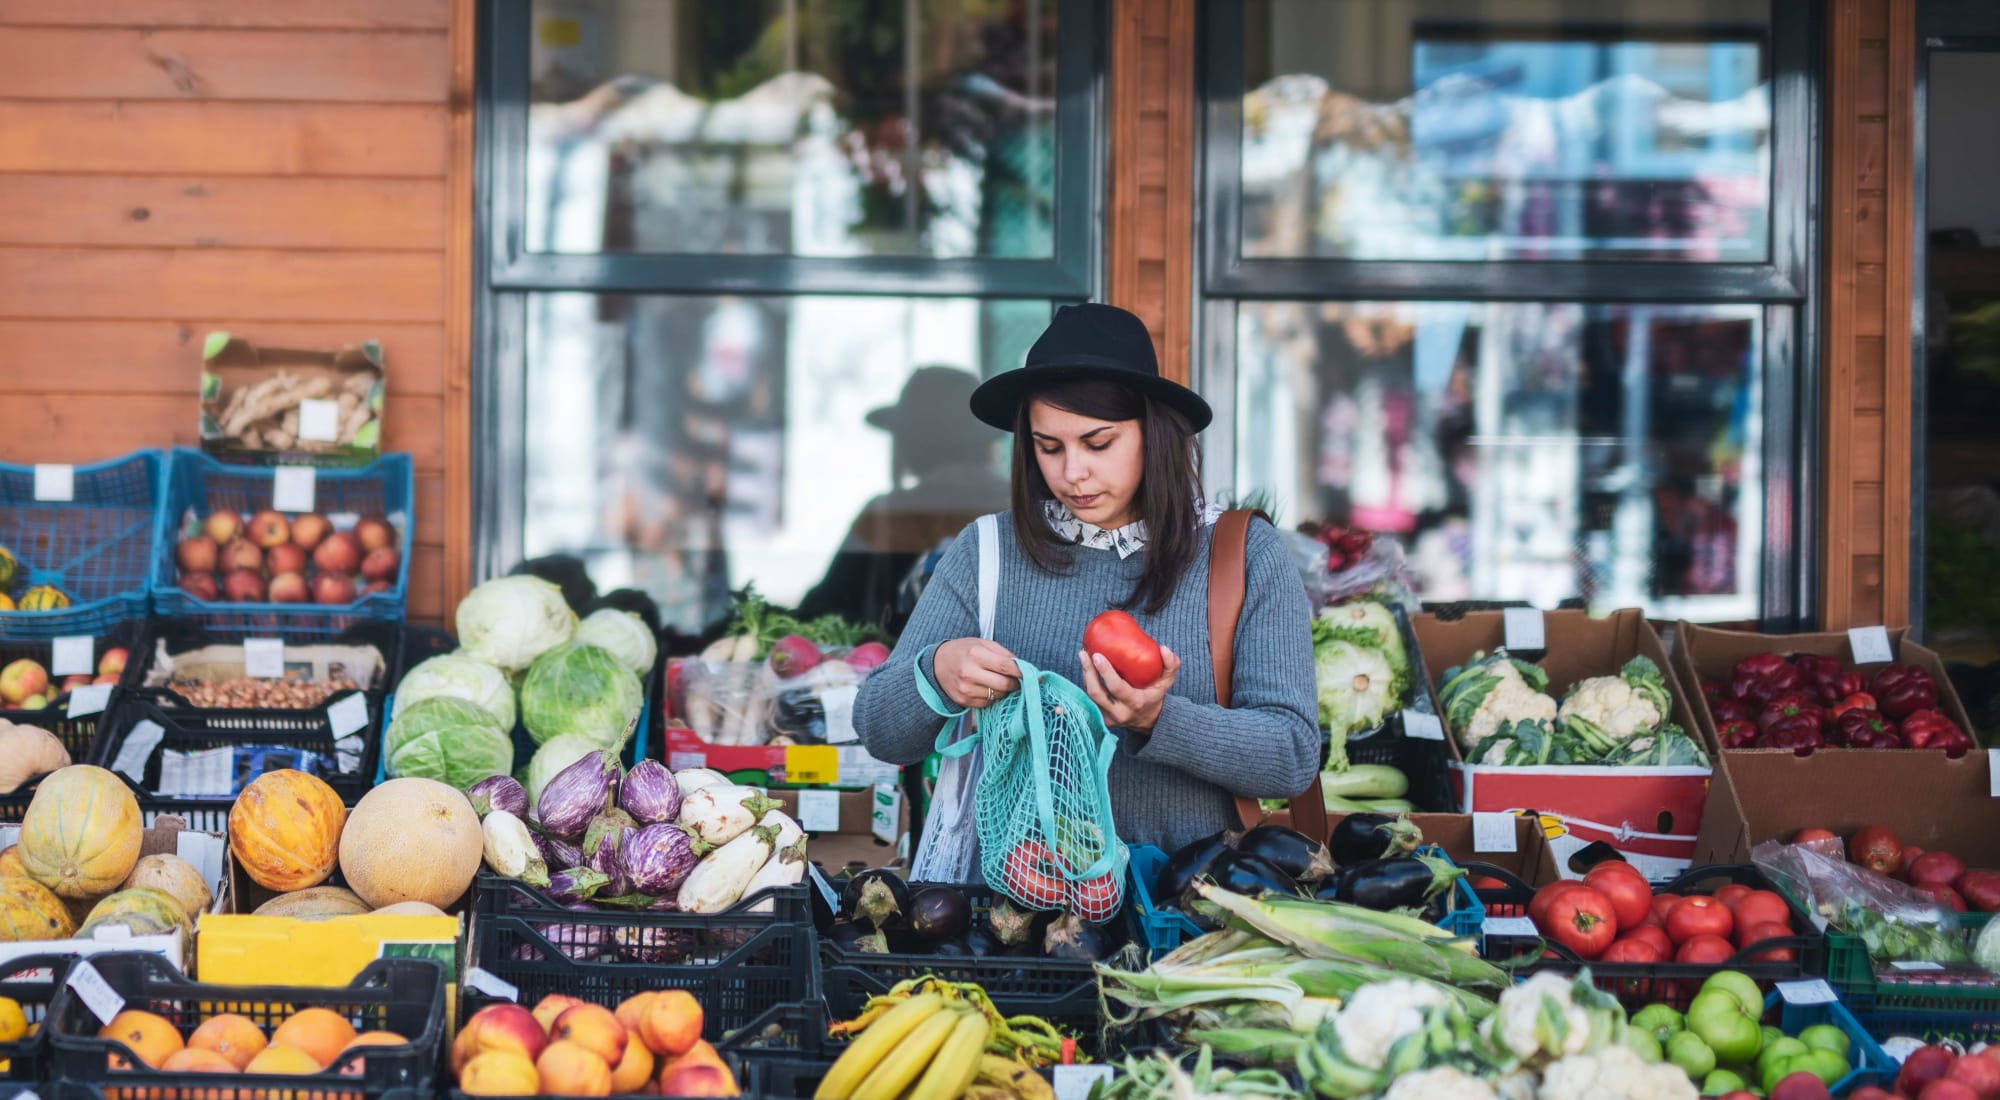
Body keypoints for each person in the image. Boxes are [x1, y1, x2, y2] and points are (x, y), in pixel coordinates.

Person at [851, 303, 1321, 854]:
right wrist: (935, 673)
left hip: (1185, 906)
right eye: (1049, 447)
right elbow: (878, 728)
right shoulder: (985, 552)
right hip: (1011, 911)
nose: (1072, 473)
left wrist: (1158, 718)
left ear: (1155, 433)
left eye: (1098, 444)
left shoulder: (1243, 555)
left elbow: (1290, 756)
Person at [796, 366, 1010, 632]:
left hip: (898, 666)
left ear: (909, 445)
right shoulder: (1019, 509)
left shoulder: (888, 513)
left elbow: (823, 609)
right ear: (983, 442)